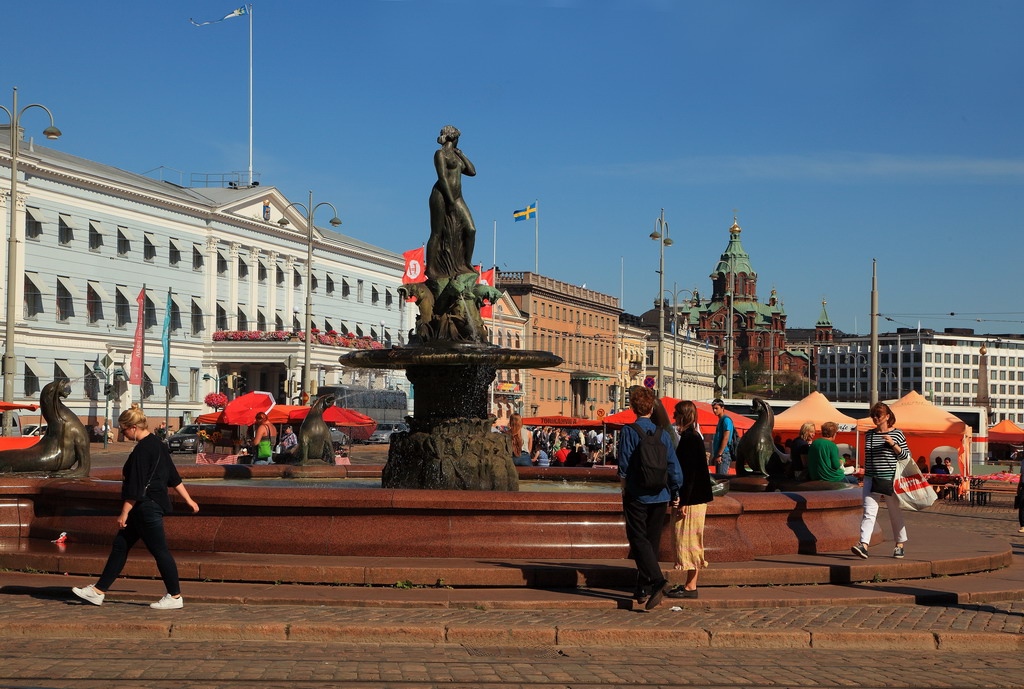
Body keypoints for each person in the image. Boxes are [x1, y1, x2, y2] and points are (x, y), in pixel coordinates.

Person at [72, 407, 199, 609]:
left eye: (123, 430)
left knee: (159, 551)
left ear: (132, 427)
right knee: (121, 546)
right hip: (149, 505)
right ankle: (98, 591)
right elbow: (173, 476)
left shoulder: (142, 449)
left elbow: (136, 486)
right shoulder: (158, 444)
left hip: (145, 507)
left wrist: (124, 512)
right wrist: (189, 499)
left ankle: (175, 596)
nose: (124, 434)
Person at [617, 386, 682, 610]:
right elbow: (673, 467)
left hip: (637, 493)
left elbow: (624, 465)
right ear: (652, 409)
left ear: (633, 407)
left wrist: (624, 488)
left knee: (637, 538)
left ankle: (657, 580)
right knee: (651, 541)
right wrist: (675, 492)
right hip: (660, 495)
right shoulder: (663, 434)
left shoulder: (629, 431)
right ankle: (642, 588)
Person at [851, 401, 910, 560]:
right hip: (871, 478)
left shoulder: (897, 434)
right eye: (873, 415)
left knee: (894, 513)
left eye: (879, 415)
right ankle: (863, 544)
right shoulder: (869, 434)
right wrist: (866, 476)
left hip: (891, 479)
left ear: (887, 416)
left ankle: (899, 544)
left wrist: (893, 444)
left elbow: (906, 456)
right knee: (868, 512)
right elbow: (868, 458)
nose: (875, 418)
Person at [667, 400, 713, 600]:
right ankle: (689, 584)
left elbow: (690, 473)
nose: (673, 416)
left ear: (684, 416)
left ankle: (691, 586)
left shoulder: (690, 438)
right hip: (694, 497)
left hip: (692, 500)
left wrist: (683, 501)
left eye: (676, 413)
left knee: (690, 540)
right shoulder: (691, 436)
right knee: (687, 540)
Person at [426, 125, 477, 280]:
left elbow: (472, 171)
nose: (458, 141)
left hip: (458, 197)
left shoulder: (456, 156)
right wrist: (450, 201)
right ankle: (430, 268)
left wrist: (462, 155)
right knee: (437, 232)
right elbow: (442, 178)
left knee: (471, 229)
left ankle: (466, 264)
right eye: (458, 138)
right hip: (441, 196)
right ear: (453, 138)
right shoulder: (440, 154)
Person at [710, 399, 734, 476]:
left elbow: (726, 438)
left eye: (716, 408)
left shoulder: (726, 420)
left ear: (722, 408)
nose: (714, 410)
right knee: (718, 477)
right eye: (713, 408)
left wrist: (720, 454)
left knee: (722, 478)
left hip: (724, 453)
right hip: (719, 453)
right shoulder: (720, 420)